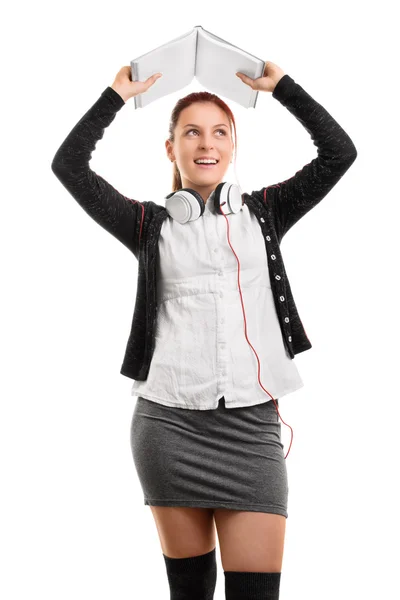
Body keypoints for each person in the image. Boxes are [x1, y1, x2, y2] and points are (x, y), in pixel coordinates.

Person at [51, 61, 357, 600]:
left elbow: (339, 153)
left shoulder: (265, 214)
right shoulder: (148, 226)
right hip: (168, 429)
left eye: (220, 132)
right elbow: (69, 166)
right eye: (191, 131)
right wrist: (116, 95)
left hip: (251, 431)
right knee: (189, 594)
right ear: (171, 149)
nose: (206, 143)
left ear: (233, 147)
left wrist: (280, 87)